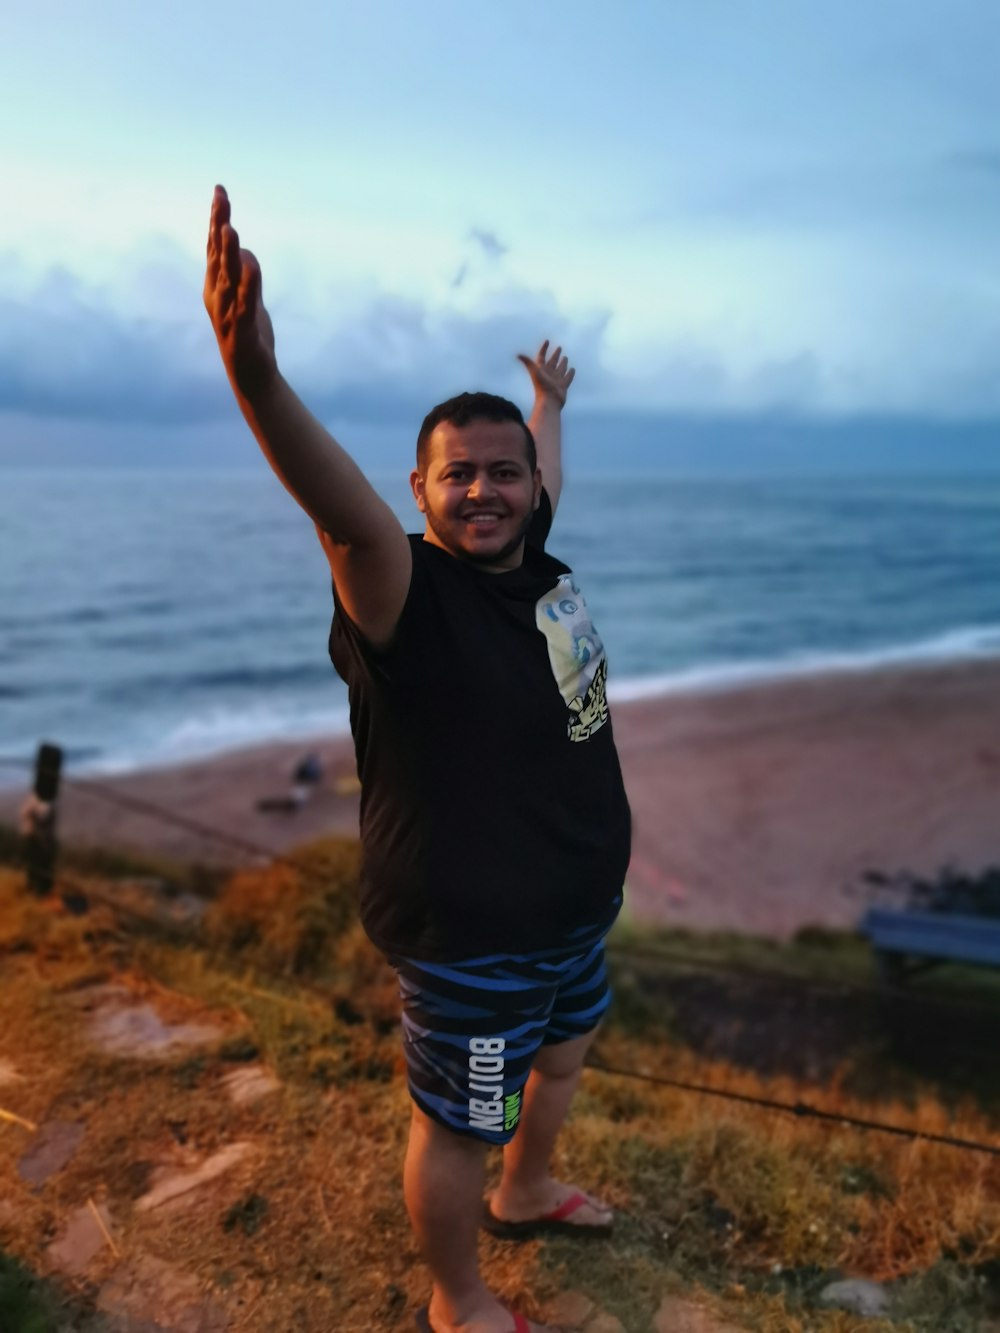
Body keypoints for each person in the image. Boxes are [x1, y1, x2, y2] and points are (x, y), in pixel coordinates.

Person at [204, 185, 631, 1333]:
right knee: (456, 1123)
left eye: (505, 473)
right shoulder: (402, 589)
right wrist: (255, 381)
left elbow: (540, 471)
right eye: (459, 475)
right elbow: (338, 517)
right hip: (471, 931)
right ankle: (458, 1303)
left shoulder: (533, 562)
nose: (485, 490)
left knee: (568, 1048)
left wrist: (544, 406)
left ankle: (529, 1189)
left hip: (575, 902)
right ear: (419, 491)